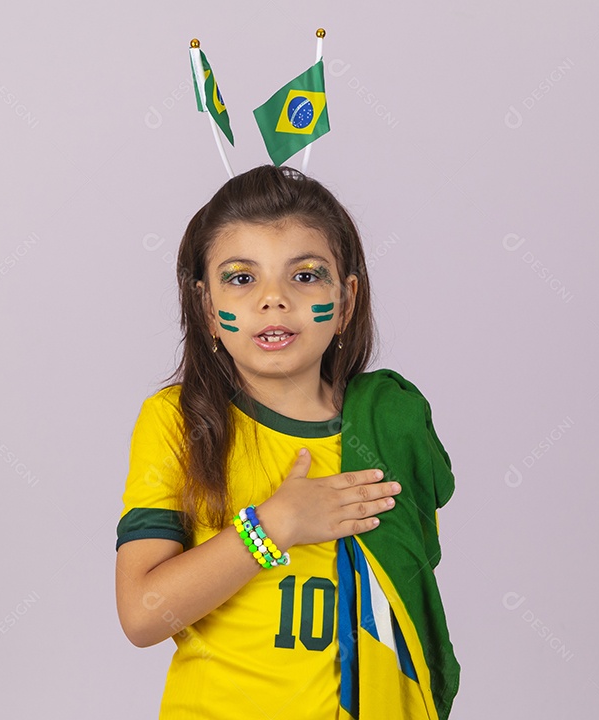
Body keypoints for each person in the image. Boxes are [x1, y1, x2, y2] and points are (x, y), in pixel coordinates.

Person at [115, 165, 458, 718]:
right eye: (242, 278)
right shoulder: (176, 422)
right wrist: (273, 526)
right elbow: (141, 615)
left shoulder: (390, 425)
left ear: (345, 301)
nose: (273, 299)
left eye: (304, 275)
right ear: (208, 310)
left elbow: (410, 600)